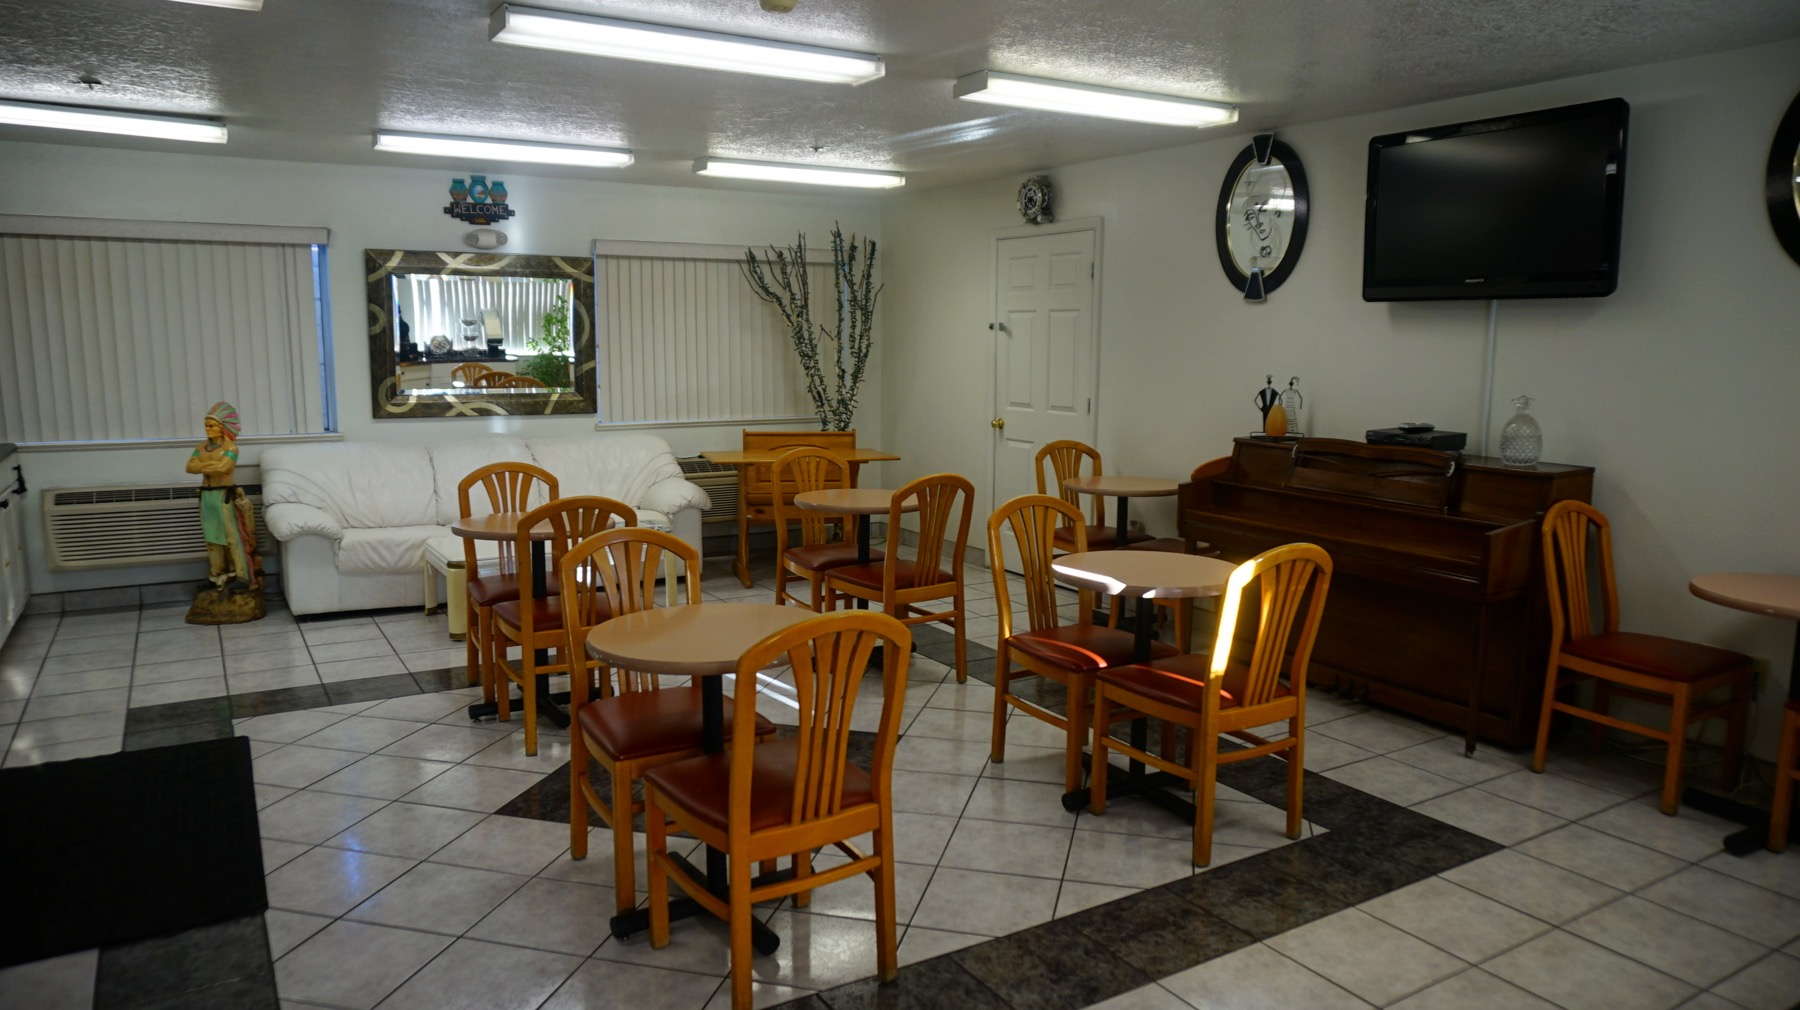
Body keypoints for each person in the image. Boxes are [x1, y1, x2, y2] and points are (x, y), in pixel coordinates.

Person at [186, 402, 259, 591]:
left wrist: (202, 466)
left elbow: (223, 468)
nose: (208, 428)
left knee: (233, 538)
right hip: (206, 496)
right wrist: (210, 466)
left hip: (225, 496)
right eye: (206, 425)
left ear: (222, 427)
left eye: (212, 425)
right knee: (211, 537)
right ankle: (216, 574)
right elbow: (190, 467)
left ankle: (242, 577)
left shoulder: (231, 448)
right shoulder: (200, 447)